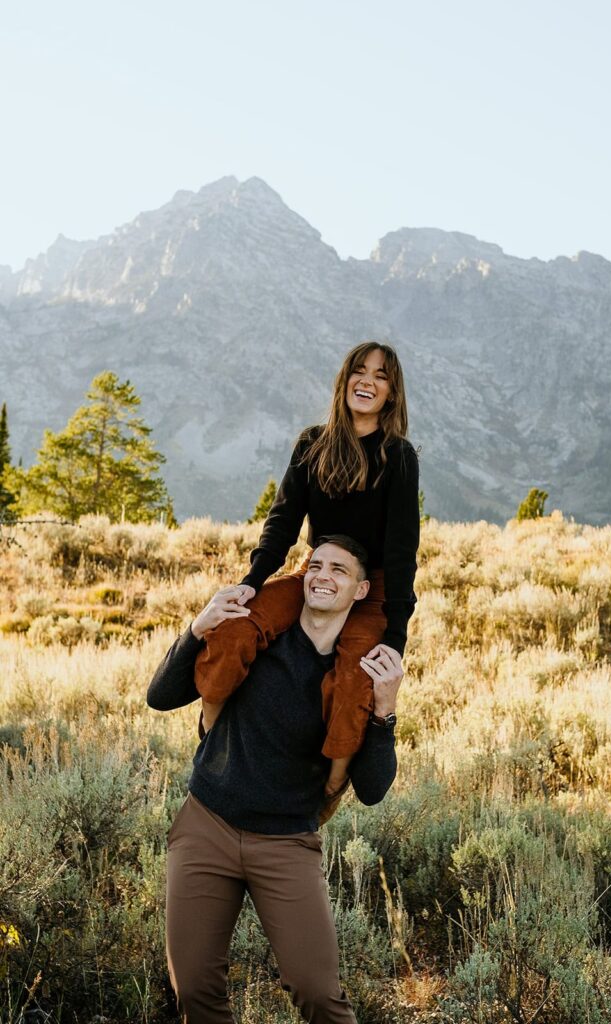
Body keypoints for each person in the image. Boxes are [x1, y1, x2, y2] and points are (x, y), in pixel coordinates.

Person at [147, 536, 403, 1024]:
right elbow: (160, 697)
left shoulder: (360, 675)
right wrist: (198, 628)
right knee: (195, 989)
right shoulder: (256, 637)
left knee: (319, 995)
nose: (322, 575)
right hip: (207, 825)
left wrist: (385, 714)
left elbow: (373, 790)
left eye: (340, 570)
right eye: (316, 565)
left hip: (286, 844)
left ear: (361, 589)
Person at [194, 341, 419, 801]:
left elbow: (401, 551)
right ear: (345, 379)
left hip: (369, 587)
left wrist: (395, 634)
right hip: (314, 572)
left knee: (357, 676)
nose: (368, 382)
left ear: (391, 393)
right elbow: (282, 522)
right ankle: (211, 741)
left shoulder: (398, 456)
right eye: (360, 371)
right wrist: (251, 584)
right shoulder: (312, 444)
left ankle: (329, 789)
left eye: (380, 376)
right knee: (235, 629)